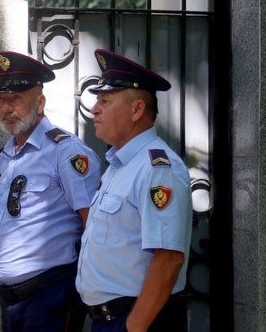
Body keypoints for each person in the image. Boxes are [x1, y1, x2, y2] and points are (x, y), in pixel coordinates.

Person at [0, 50, 102, 332]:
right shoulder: (6, 156)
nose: (6, 108)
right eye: (0, 100)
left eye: (16, 99)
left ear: (40, 102)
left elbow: (92, 223)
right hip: (10, 299)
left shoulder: (66, 152)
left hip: (51, 295)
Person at [76, 49, 192, 332]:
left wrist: (132, 328)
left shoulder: (156, 168)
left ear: (137, 109)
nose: (94, 109)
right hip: (107, 320)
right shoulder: (119, 164)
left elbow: (168, 259)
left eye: (105, 100)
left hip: (138, 320)